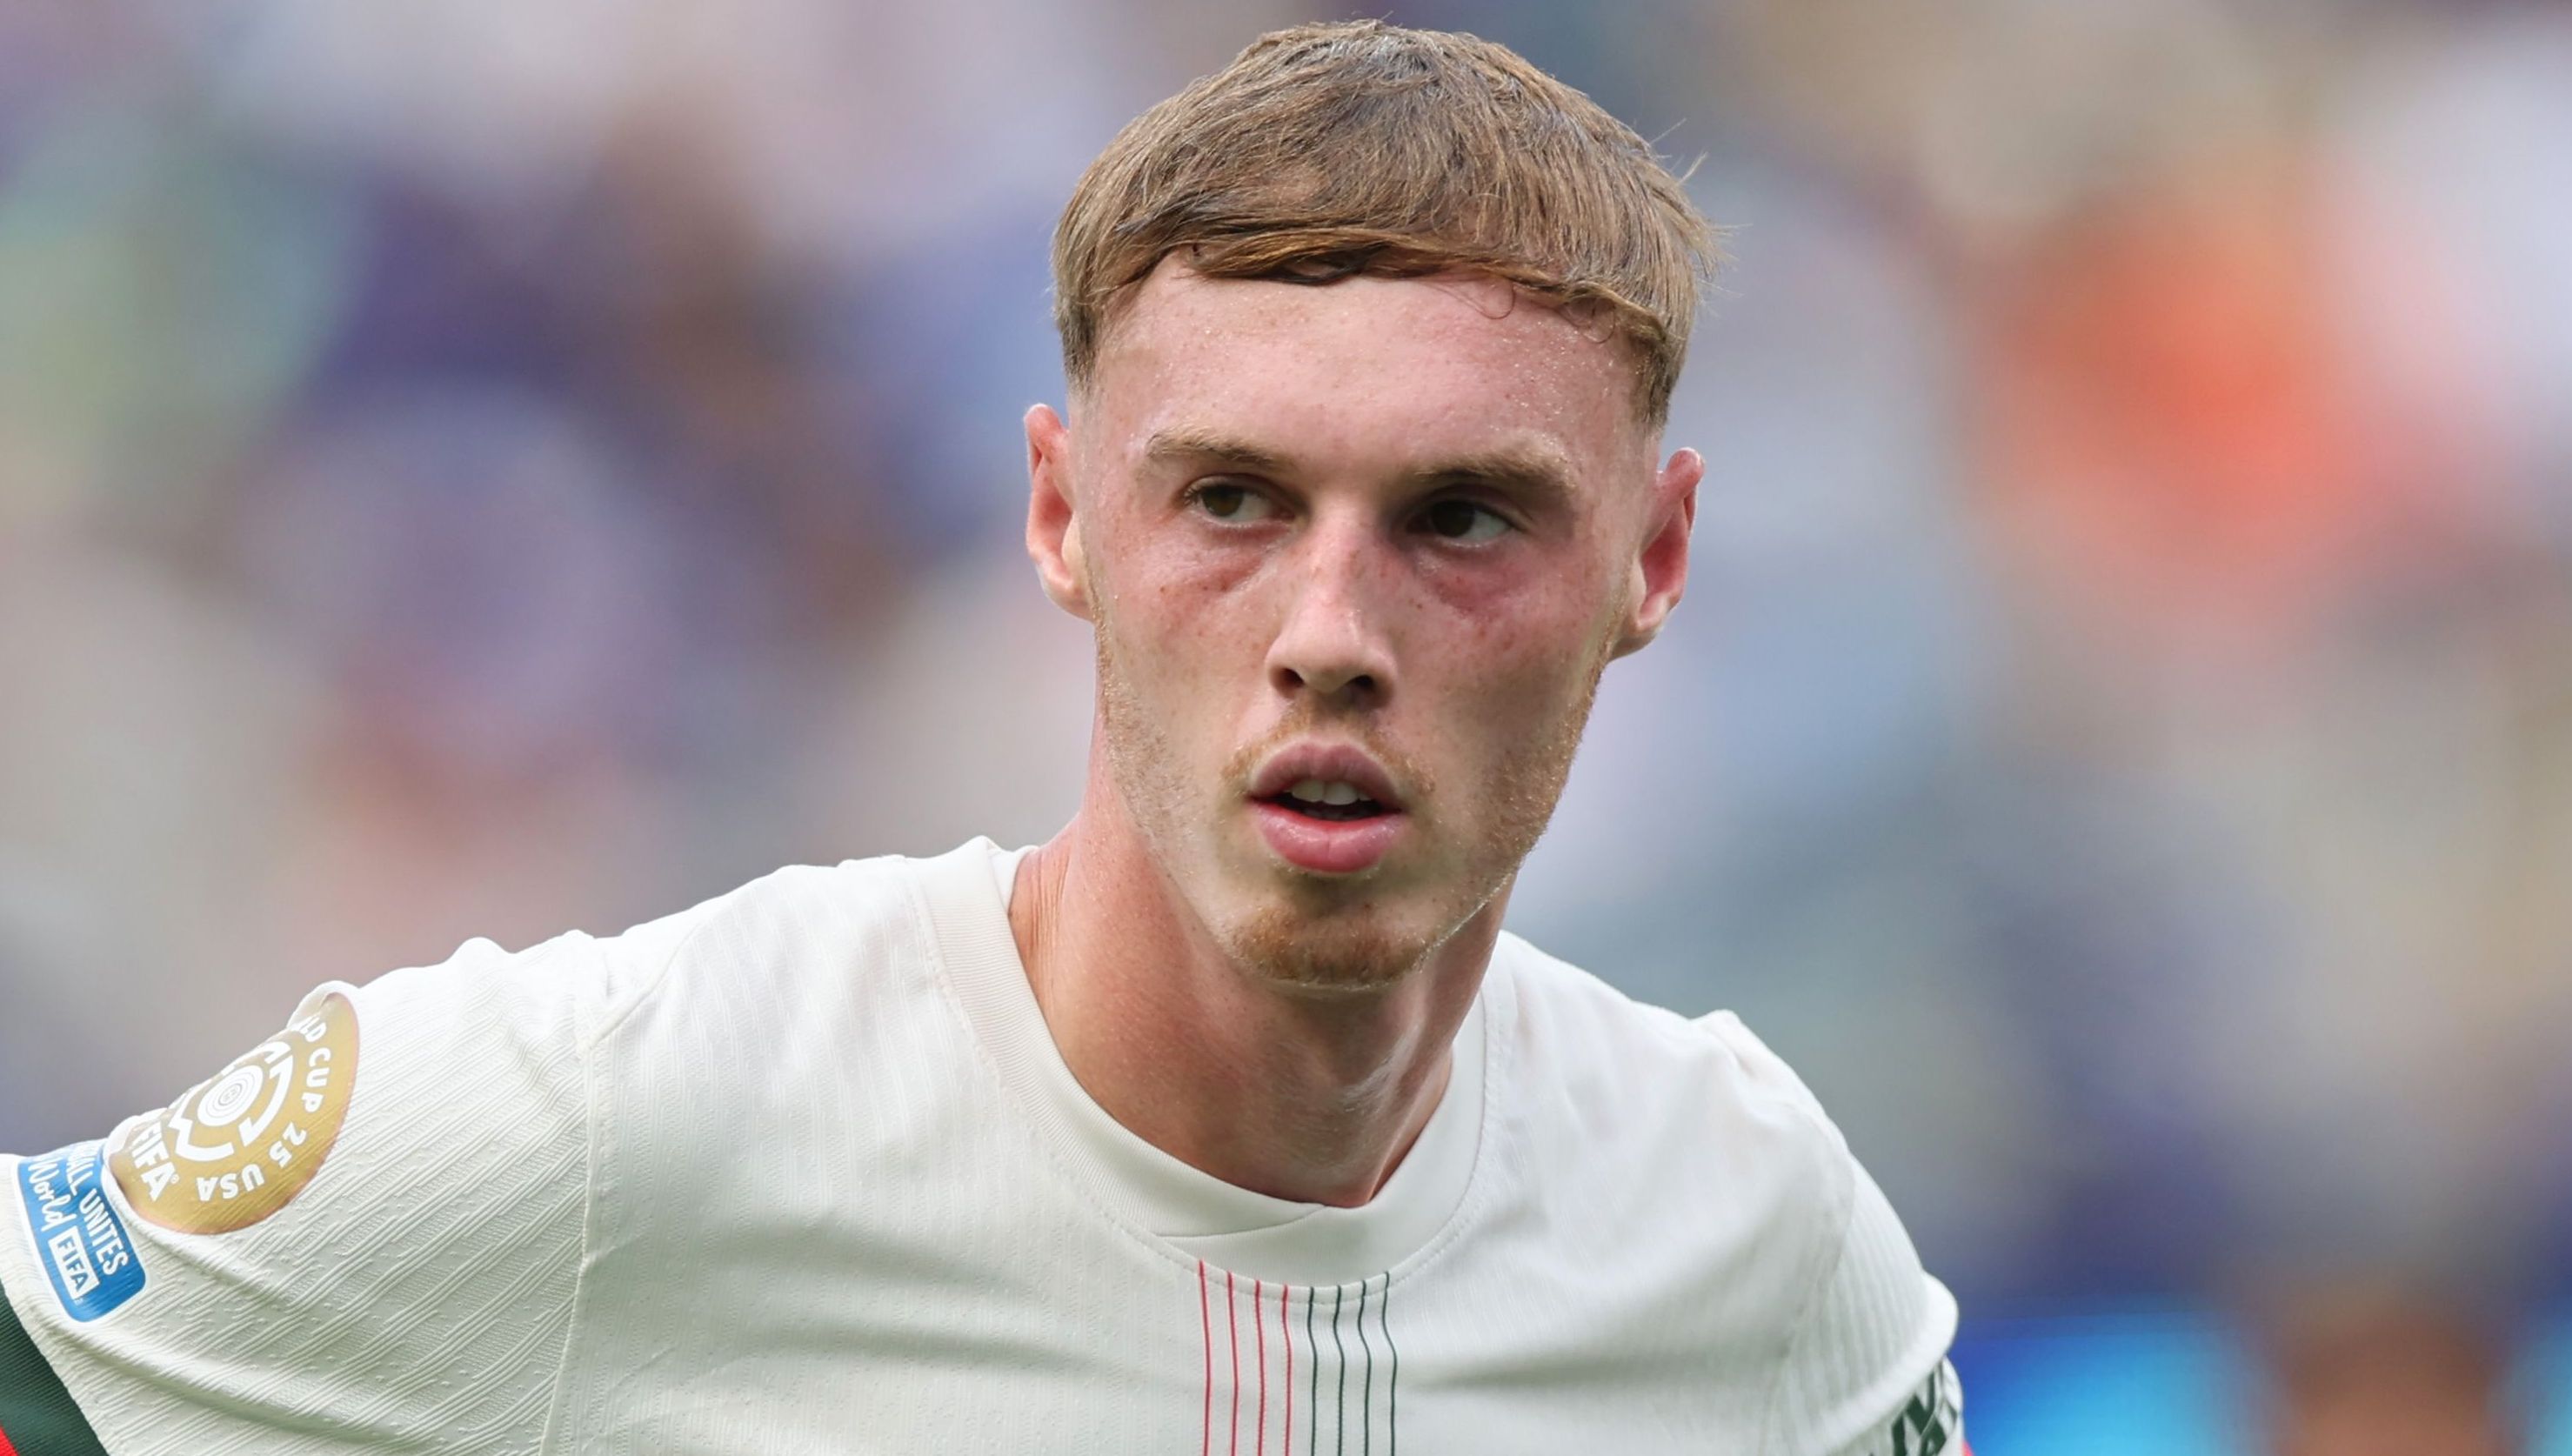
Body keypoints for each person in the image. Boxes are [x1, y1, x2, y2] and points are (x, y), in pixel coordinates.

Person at [0, 21, 1963, 1455]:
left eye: (1461, 517)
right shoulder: (619, 1118)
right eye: (1231, 503)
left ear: (1657, 553)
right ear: (1058, 517)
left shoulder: (1755, 1239)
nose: (1331, 635)